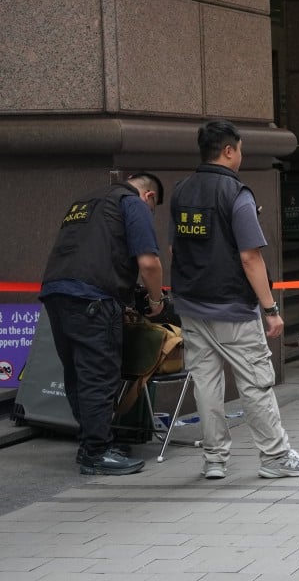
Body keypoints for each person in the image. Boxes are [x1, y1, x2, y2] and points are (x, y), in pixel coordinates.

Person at [170, 120, 299, 481]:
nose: (241, 155)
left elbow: (177, 247)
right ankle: (275, 456)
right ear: (228, 150)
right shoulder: (236, 193)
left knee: (206, 384)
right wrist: (270, 309)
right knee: (255, 381)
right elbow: (250, 256)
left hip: (191, 305)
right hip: (232, 306)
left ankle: (214, 459)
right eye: (239, 149)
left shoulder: (181, 191)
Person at [40, 172, 167, 475]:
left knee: (77, 375)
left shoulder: (84, 202)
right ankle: (96, 453)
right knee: (99, 375)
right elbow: (149, 263)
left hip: (57, 293)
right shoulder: (132, 203)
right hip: (93, 298)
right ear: (149, 197)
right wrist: (156, 302)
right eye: (153, 208)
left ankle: (92, 443)